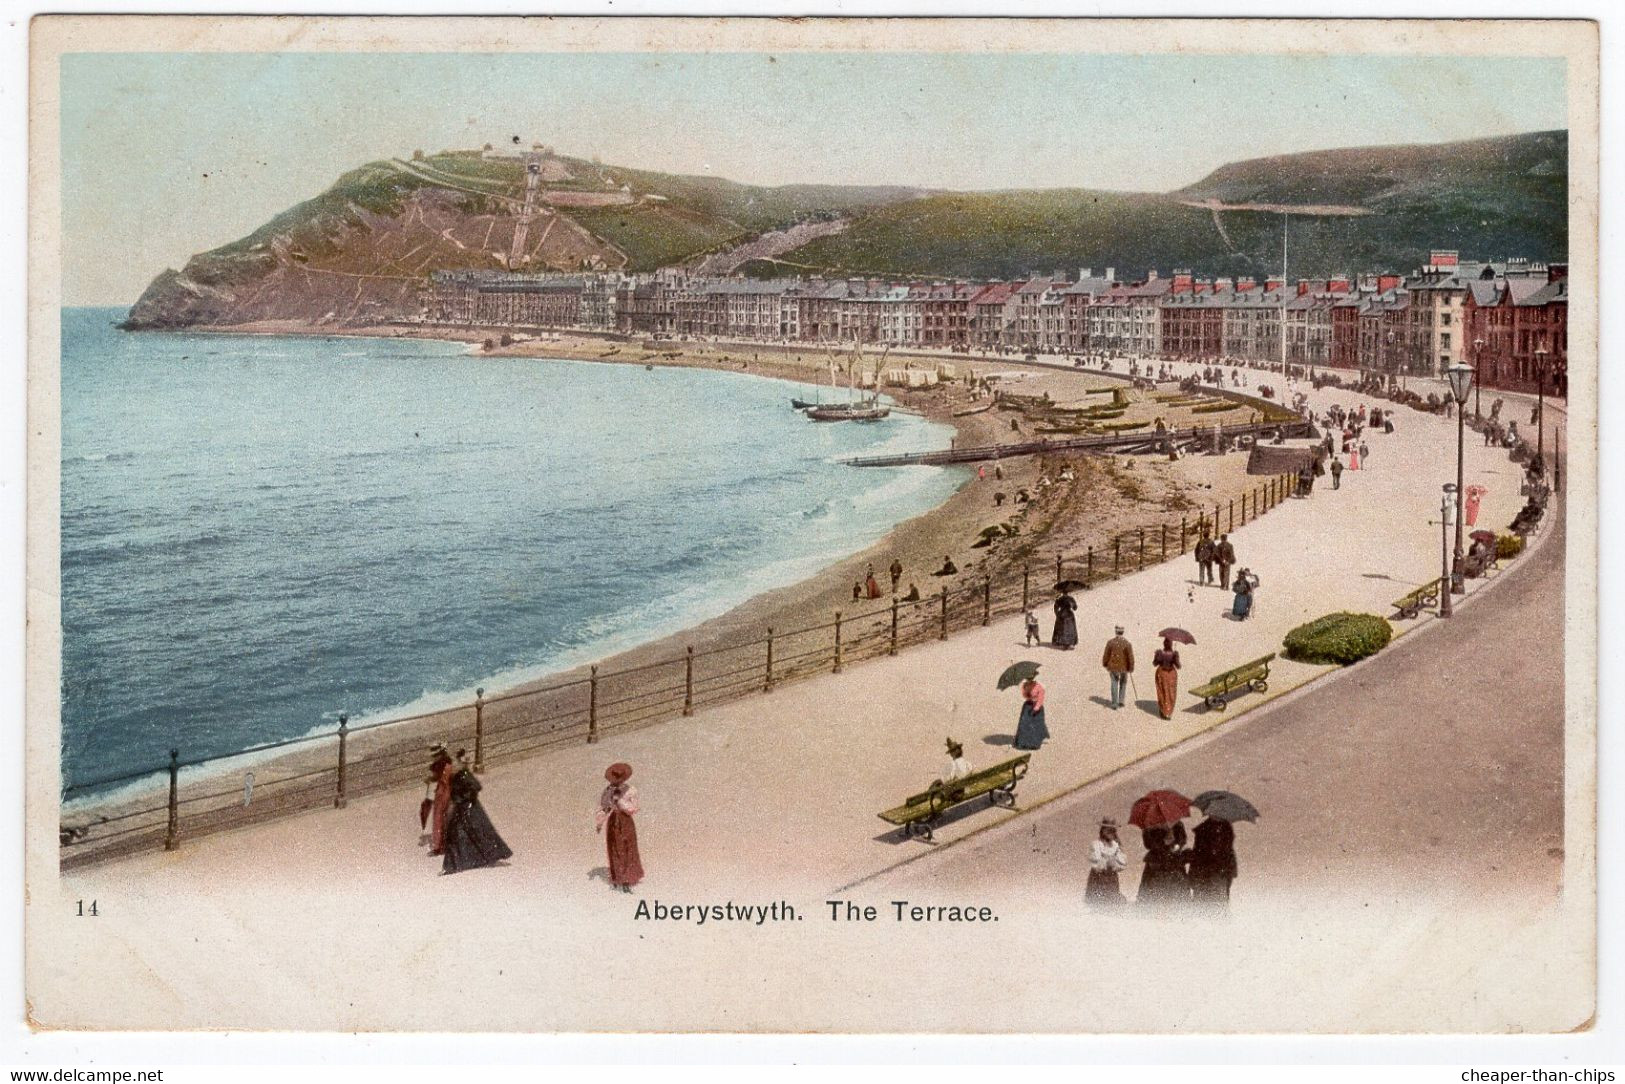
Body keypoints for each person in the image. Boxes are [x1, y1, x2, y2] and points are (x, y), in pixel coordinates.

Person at [441, 751, 513, 875]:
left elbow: (476, 787)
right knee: (458, 836)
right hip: (462, 809)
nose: (453, 765)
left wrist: (467, 799)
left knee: (476, 833)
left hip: (470, 809)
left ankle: (455, 865)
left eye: (455, 763)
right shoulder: (458, 775)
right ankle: (452, 866)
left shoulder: (464, 774)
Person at [596, 762, 644, 892]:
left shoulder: (630, 790)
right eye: (614, 781)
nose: (615, 783)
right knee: (616, 849)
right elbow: (603, 807)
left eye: (618, 781)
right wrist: (599, 822)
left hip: (626, 821)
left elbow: (634, 808)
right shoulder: (608, 791)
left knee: (628, 848)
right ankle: (618, 878)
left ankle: (629, 878)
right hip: (614, 822)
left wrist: (621, 802)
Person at [1187, 814, 1238, 908]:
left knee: (1215, 904)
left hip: (1217, 873)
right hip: (1208, 873)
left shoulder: (1224, 829)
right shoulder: (1205, 829)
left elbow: (1227, 851)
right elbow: (1197, 853)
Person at [1136, 825, 1191, 906]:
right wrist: (1162, 843)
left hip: (1174, 860)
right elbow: (1147, 844)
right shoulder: (1151, 825)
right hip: (1157, 862)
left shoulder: (1177, 823)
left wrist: (1177, 845)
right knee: (1152, 892)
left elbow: (1183, 839)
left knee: (1179, 892)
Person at [426, 743, 455, 857]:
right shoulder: (449, 763)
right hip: (449, 791)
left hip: (442, 793)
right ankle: (447, 845)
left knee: (438, 819)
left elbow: (437, 778)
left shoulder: (438, 765)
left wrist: (430, 779)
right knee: (447, 819)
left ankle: (438, 847)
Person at [1102, 626, 1134, 709]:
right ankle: (1121, 700)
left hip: (1113, 666)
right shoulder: (1127, 643)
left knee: (1114, 683)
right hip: (1124, 667)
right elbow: (1130, 657)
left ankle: (1114, 703)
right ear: (1123, 632)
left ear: (1116, 632)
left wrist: (1105, 663)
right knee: (1123, 682)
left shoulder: (1110, 642)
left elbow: (1106, 655)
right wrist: (1131, 668)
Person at [1013, 677, 1049, 750]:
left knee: (1035, 725)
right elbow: (1024, 695)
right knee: (1024, 724)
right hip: (1027, 706)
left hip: (1036, 708)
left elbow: (1040, 698)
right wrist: (1027, 694)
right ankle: (1022, 743)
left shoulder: (1039, 686)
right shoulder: (1024, 685)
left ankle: (1033, 743)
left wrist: (1037, 707)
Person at [1152, 637, 1181, 720]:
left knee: (1162, 691)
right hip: (1171, 674)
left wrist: (1157, 656)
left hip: (1161, 673)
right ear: (1171, 644)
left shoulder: (1160, 653)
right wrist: (1175, 657)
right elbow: (1178, 666)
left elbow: (1154, 663)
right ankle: (1168, 712)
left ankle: (1163, 710)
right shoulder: (1174, 653)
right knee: (1171, 692)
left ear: (1164, 644)